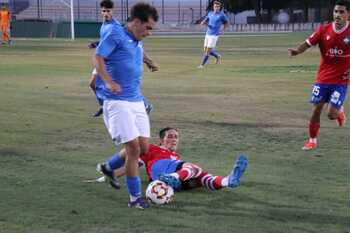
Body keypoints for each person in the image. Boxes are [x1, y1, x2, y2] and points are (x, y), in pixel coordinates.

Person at [94, 1, 158, 209]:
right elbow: (98, 57)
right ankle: (135, 198)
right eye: (148, 27)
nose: (149, 32)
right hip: (117, 101)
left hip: (136, 99)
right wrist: (110, 82)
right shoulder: (116, 35)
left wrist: (149, 61)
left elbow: (138, 50)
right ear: (136, 22)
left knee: (144, 147)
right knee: (133, 149)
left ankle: (108, 166)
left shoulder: (136, 38)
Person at [98, 127, 248, 193]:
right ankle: (173, 177)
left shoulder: (176, 158)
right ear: (161, 140)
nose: (174, 139)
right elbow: (133, 165)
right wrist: (108, 176)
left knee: (200, 179)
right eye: (170, 136)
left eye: (176, 137)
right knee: (194, 168)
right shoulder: (152, 149)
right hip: (159, 169)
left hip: (169, 180)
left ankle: (228, 181)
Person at [288, 0, 350, 151]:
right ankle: (312, 140)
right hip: (323, 78)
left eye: (341, 12)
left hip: (342, 80)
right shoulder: (324, 30)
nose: (338, 15)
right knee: (316, 109)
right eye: (336, 11)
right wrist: (297, 51)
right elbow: (308, 43)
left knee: (331, 115)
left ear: (348, 14)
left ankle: (339, 110)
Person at [198, 1, 229, 69]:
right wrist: (203, 23)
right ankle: (217, 56)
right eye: (215, 6)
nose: (216, 8)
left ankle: (202, 65)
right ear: (213, 7)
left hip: (214, 35)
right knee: (205, 50)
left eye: (218, 7)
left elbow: (226, 23)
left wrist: (223, 30)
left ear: (220, 7)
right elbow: (205, 21)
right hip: (208, 34)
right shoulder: (210, 13)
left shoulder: (222, 15)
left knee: (207, 51)